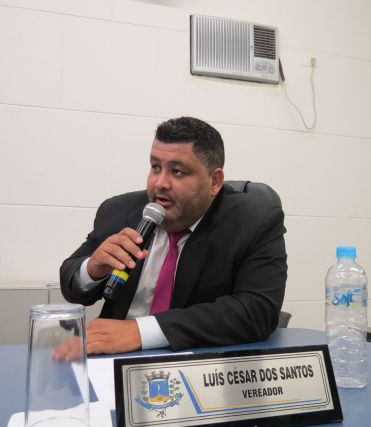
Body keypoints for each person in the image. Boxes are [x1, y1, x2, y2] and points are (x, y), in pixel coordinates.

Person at [56, 117, 287, 359]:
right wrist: (92, 269)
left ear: (215, 181)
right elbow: (71, 283)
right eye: (156, 167)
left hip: (197, 365)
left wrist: (141, 332)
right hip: (113, 361)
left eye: (177, 172)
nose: (160, 183)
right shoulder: (119, 210)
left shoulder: (254, 221)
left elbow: (257, 310)